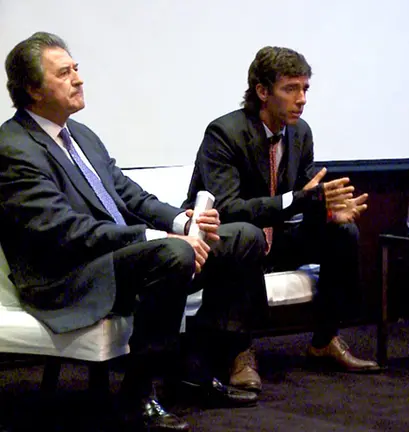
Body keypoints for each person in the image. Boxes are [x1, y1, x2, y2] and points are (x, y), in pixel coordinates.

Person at [0, 32, 262, 431]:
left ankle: (195, 367)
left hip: (119, 260)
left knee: (243, 236)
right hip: (67, 276)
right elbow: (64, 231)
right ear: (33, 90)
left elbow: (130, 195)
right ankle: (137, 394)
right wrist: (158, 240)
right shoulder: (14, 147)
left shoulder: (82, 135)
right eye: (64, 73)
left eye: (77, 69)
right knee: (174, 254)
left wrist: (185, 222)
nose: (79, 79)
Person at [184, 46, 380, 392]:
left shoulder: (300, 132)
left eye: (305, 89)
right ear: (262, 91)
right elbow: (226, 208)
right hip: (228, 244)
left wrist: (329, 209)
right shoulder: (224, 133)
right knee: (246, 234)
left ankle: (324, 340)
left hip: (276, 239)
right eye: (291, 89)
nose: (301, 99)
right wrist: (299, 199)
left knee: (343, 231)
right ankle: (239, 351)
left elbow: (308, 188)